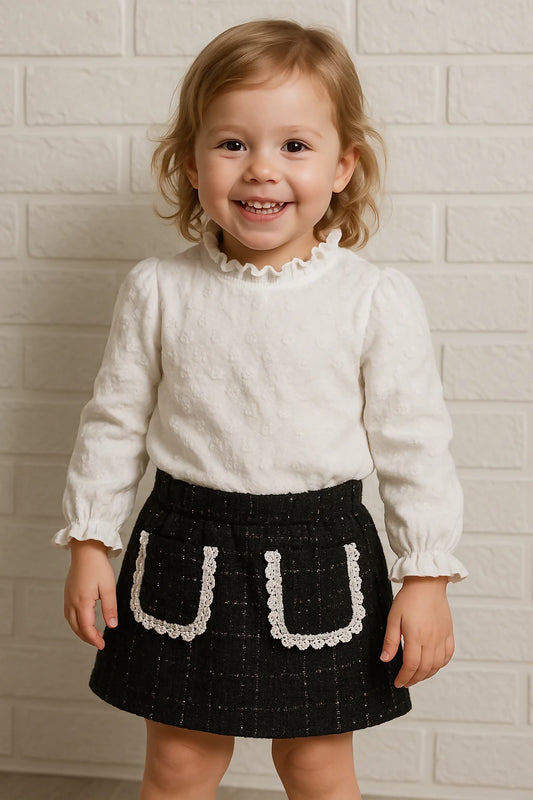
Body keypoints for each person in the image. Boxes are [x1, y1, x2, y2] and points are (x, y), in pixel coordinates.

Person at [54, 18, 468, 800]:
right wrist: (88, 542)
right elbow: (113, 425)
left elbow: (414, 448)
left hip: (319, 556)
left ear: (343, 165)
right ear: (191, 162)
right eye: (232, 144)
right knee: (178, 764)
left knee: (313, 766)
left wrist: (426, 576)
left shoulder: (372, 299)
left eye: (294, 145)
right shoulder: (158, 290)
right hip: (183, 549)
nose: (261, 170)